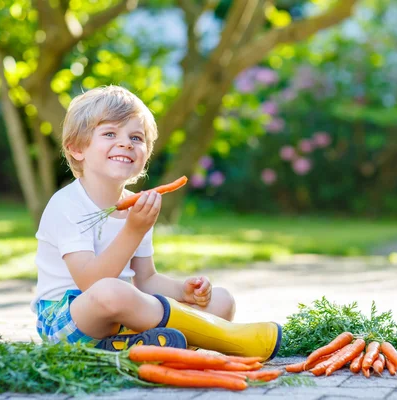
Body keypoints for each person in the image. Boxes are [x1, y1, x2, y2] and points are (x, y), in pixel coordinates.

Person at [31, 85, 281, 359]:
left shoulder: (137, 206)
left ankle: (134, 346)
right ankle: (225, 338)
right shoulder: (68, 204)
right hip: (70, 320)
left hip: (123, 317)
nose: (126, 143)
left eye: (136, 137)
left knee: (221, 301)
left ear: (146, 153)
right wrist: (133, 230)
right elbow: (91, 282)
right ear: (77, 148)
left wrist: (183, 290)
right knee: (111, 291)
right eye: (110, 133)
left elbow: (146, 279)